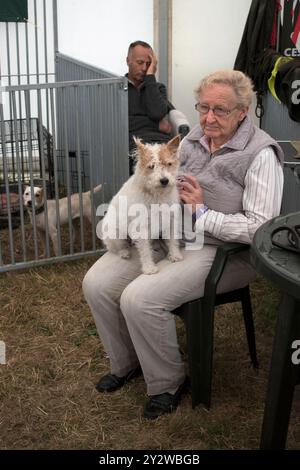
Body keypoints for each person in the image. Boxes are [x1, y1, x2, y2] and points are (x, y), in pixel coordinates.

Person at [83, 70, 284, 420]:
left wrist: (202, 212)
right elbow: (158, 177)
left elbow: (260, 229)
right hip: (169, 233)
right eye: (203, 107)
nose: (207, 118)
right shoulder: (191, 140)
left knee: (139, 298)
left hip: (222, 251)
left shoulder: (261, 154)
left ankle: (168, 383)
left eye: (220, 110)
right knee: (97, 283)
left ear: (243, 111)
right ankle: (128, 362)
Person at [126, 40, 175, 174]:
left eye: (148, 64)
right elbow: (121, 123)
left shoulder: (157, 87)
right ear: (128, 61)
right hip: (136, 144)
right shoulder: (119, 88)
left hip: (161, 142)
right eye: (140, 62)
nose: (144, 68)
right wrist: (156, 125)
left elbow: (157, 113)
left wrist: (150, 77)